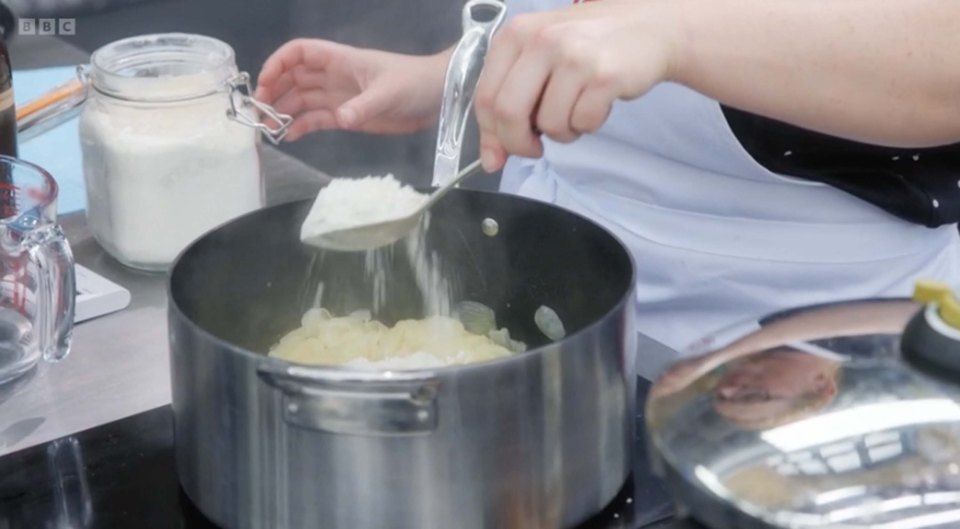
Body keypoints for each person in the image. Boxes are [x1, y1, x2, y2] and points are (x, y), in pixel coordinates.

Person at [255, 0, 960, 365]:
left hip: (826, 350)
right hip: (558, 326)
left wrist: (673, 30)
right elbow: (575, 24)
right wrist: (450, 76)